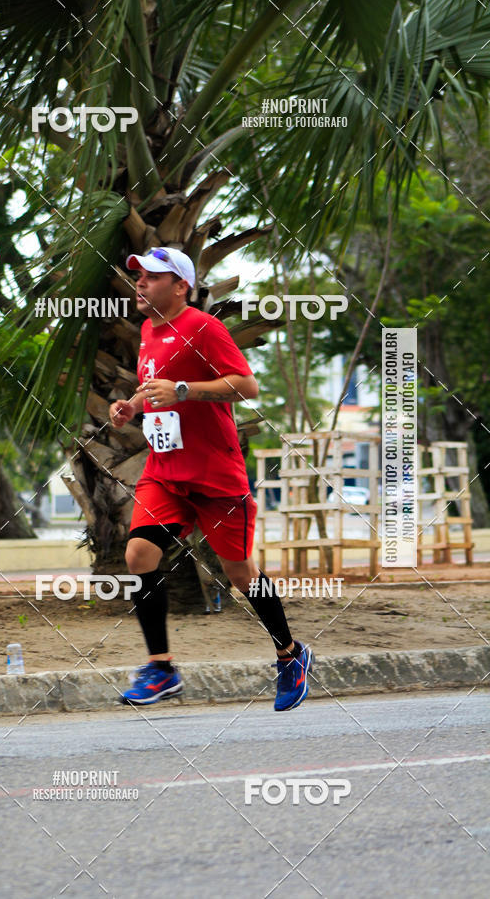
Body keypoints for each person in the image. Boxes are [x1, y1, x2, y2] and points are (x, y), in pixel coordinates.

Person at [108, 246, 312, 711]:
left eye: (152, 277)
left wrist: (184, 390)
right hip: (165, 472)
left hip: (215, 474)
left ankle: (290, 654)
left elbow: (246, 384)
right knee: (139, 553)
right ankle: (161, 669)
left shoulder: (203, 326)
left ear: (180, 285)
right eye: (137, 276)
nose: (140, 283)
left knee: (240, 572)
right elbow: (153, 384)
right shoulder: (147, 329)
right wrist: (133, 406)